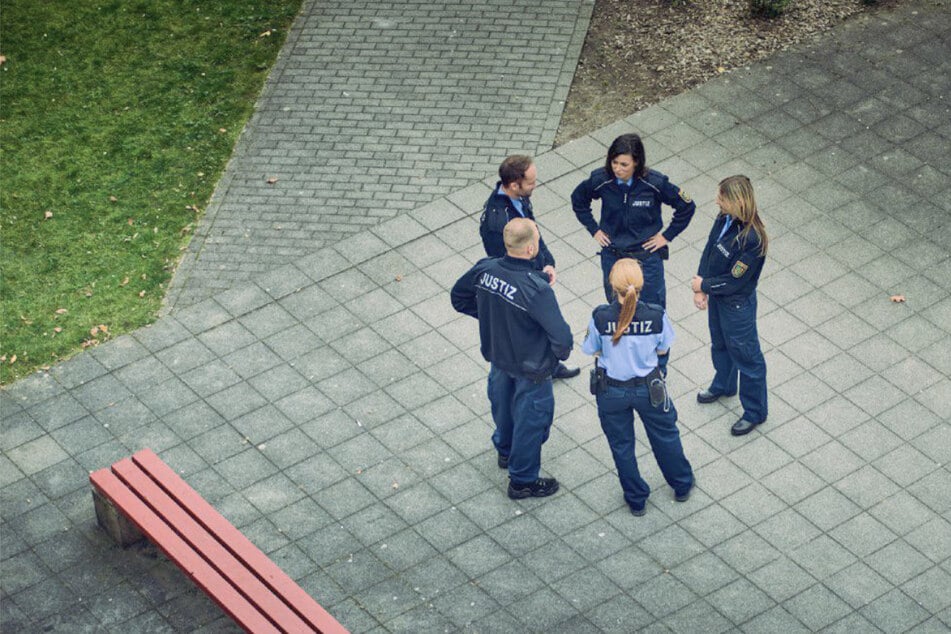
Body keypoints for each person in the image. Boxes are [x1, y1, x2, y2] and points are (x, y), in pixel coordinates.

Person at [451, 218, 573, 499]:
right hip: (531, 369)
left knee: (503, 410)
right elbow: (562, 339)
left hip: (498, 359)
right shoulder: (537, 290)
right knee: (532, 423)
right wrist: (553, 358)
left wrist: (495, 319)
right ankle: (523, 480)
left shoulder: (486, 268)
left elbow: (459, 297)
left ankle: (505, 452)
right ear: (531, 248)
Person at [582, 258, 694, 515]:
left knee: (621, 446)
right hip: (649, 389)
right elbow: (664, 348)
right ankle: (681, 484)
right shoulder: (656, 315)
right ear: (642, 284)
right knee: (665, 436)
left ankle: (636, 498)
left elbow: (592, 349)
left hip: (611, 391)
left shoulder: (601, 316)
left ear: (613, 286)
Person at [480, 154, 580, 380]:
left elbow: (534, 234)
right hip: (524, 282)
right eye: (531, 182)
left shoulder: (518, 198)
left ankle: (550, 366)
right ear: (514, 185)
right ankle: (541, 367)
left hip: (533, 272)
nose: (535, 185)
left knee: (543, 321)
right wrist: (532, 281)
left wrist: (547, 262)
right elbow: (504, 262)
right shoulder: (498, 221)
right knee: (533, 324)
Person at [571, 133, 696, 306]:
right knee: (617, 308)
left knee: (653, 308)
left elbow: (687, 206)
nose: (617, 169)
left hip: (646, 256)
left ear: (636, 163)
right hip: (613, 255)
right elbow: (578, 199)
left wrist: (667, 236)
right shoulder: (601, 180)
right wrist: (594, 229)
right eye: (614, 163)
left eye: (624, 164)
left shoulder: (654, 183)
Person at [691, 175, 769, 436]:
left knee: (747, 358)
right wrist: (701, 284)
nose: (717, 201)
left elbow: (734, 281)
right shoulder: (724, 218)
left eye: (722, 198)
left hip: (736, 305)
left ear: (737, 201)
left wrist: (705, 287)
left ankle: (755, 411)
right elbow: (710, 250)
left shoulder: (753, 240)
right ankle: (723, 384)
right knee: (720, 344)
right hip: (718, 296)